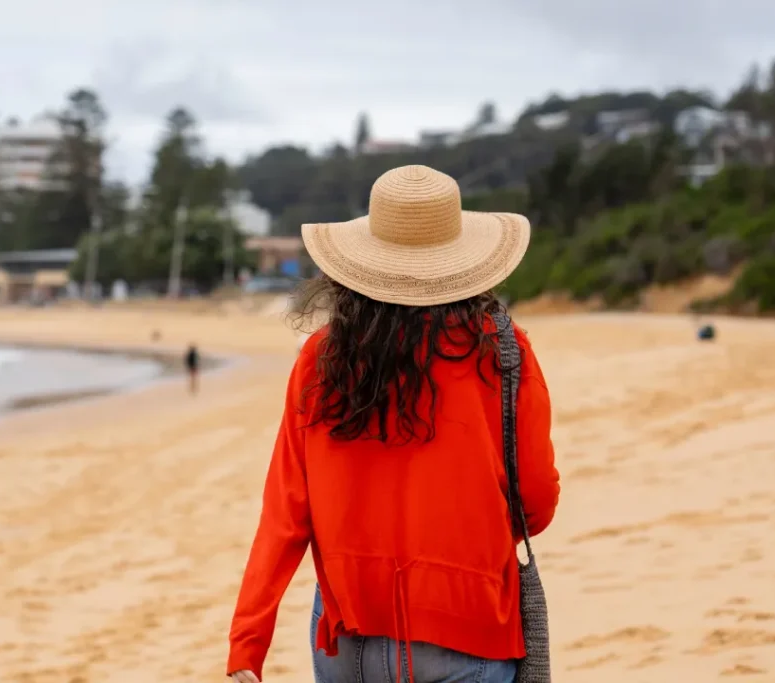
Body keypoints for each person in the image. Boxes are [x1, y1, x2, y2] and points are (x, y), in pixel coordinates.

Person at [228, 166, 561, 683]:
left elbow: (285, 512)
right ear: (462, 261)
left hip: (350, 630)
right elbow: (535, 499)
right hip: (469, 622)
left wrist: (248, 643)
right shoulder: (503, 348)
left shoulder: (321, 358)